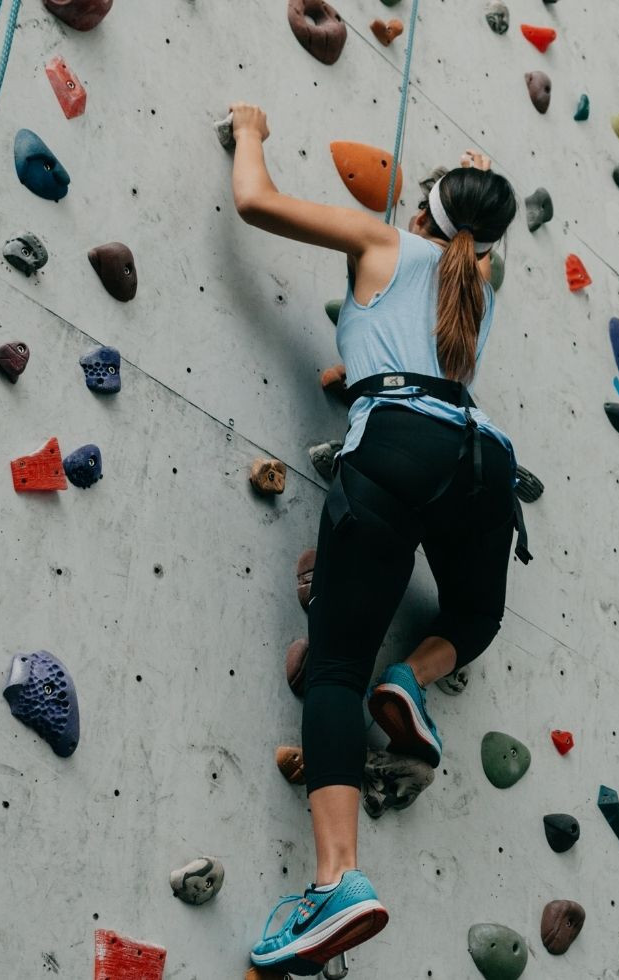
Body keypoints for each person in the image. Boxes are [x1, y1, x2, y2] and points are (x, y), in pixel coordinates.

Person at [226, 101, 524, 974]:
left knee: (332, 669)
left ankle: (338, 880)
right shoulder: (480, 285)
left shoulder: (378, 243)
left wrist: (249, 129)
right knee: (473, 615)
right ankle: (414, 676)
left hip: (394, 440)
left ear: (419, 207)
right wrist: (462, 186)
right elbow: (472, 231)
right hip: (482, 457)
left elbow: (255, 201)